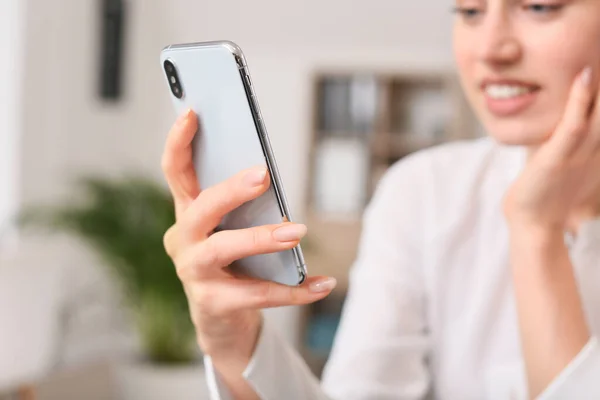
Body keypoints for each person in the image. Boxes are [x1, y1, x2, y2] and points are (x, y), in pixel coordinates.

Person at [161, 1, 600, 399]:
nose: (490, 48)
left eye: (540, 6)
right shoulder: (423, 191)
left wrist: (535, 229)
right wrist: (234, 346)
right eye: (469, 11)